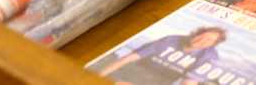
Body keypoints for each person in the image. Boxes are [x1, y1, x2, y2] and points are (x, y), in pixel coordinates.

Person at [96, 26, 227, 85]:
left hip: (159, 82)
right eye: (201, 35)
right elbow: (128, 58)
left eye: (208, 39)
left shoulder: (210, 56)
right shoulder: (171, 40)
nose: (201, 40)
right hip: (136, 71)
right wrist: (98, 77)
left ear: (213, 44)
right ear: (196, 33)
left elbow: (189, 82)